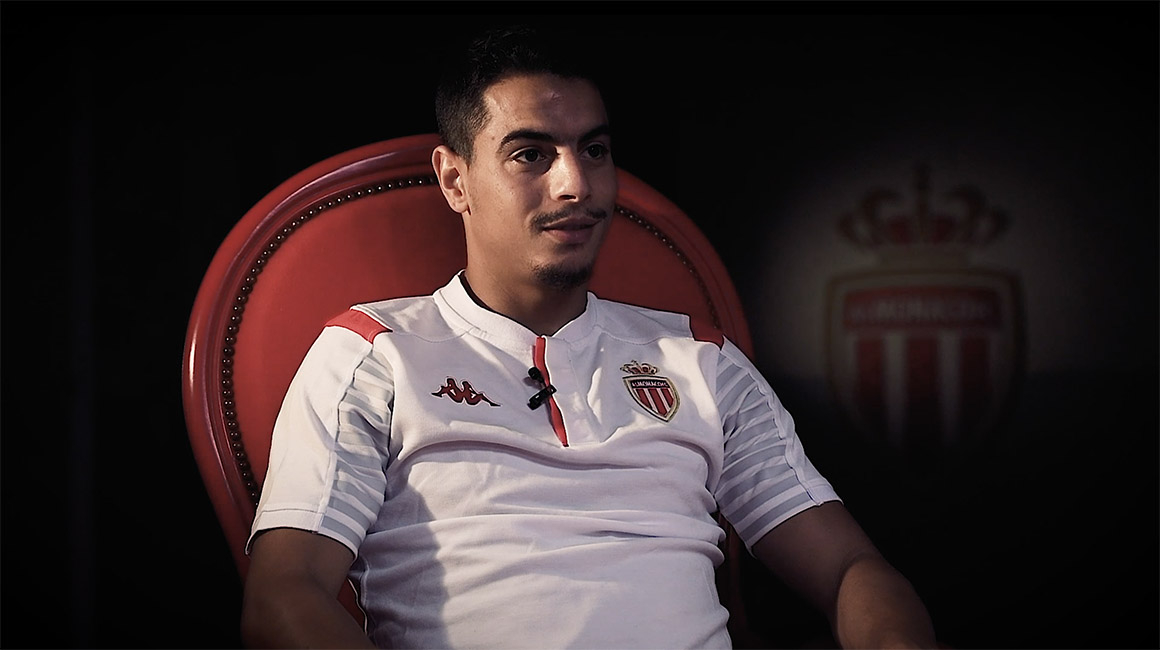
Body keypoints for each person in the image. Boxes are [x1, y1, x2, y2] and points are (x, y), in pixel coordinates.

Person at [240, 24, 937, 650]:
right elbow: (284, 598)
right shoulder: (372, 354)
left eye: (594, 150)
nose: (577, 184)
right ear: (455, 180)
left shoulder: (701, 360)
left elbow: (849, 568)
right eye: (530, 155)